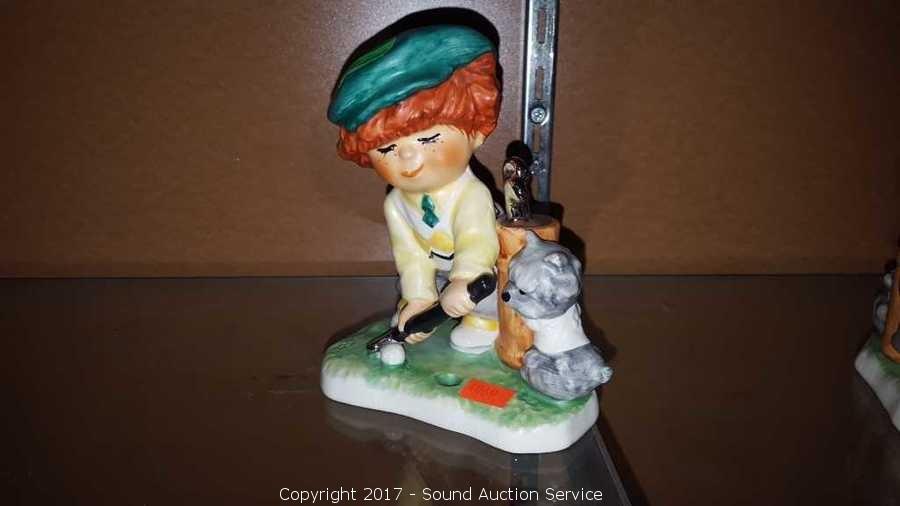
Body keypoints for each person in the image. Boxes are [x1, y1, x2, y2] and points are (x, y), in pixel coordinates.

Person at [328, 25, 501, 353]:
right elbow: (410, 254)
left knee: (487, 296)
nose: (407, 156)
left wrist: (466, 277)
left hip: (482, 274)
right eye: (387, 148)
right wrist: (419, 296)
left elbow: (476, 241)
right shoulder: (396, 203)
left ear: (476, 133)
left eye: (428, 138)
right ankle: (426, 309)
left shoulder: (470, 194)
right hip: (442, 272)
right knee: (412, 302)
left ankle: (485, 323)